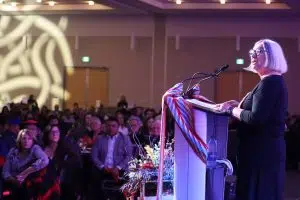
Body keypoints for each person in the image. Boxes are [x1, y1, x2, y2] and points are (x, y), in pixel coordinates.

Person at [215, 39, 288, 200]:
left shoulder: (271, 82)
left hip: (262, 156)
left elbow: (256, 118)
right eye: (251, 52)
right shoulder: (269, 82)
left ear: (272, 56)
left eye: (258, 51)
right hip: (259, 153)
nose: (252, 55)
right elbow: (260, 111)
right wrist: (238, 105)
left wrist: (232, 110)